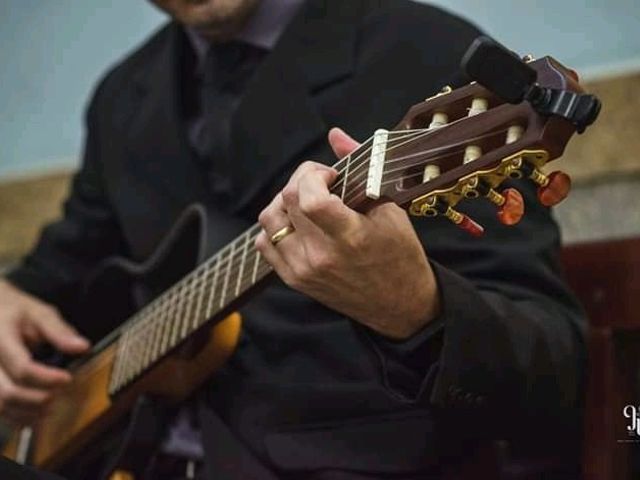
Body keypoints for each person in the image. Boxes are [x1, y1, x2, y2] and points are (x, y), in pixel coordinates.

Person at [0, 0, 586, 478]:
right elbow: (61, 267)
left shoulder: (423, 48)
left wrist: (415, 307)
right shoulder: (122, 97)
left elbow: (554, 367)